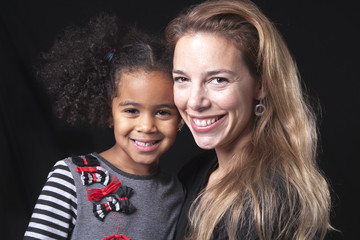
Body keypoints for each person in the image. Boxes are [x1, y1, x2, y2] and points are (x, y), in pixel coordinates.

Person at [165, 0, 332, 239]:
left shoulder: (270, 198)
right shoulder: (194, 173)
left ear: (261, 85)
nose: (194, 102)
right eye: (182, 79)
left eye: (218, 80)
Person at [24, 14, 184, 240]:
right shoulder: (70, 178)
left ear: (181, 117)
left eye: (162, 112)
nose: (147, 126)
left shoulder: (178, 193)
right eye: (131, 111)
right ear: (109, 113)